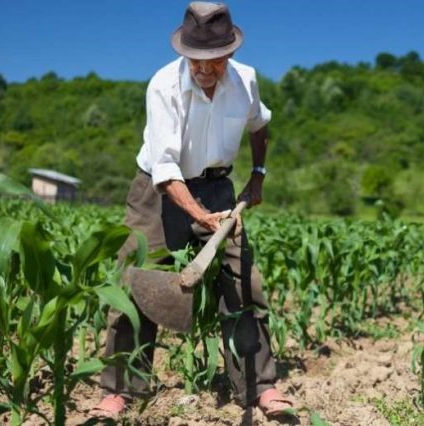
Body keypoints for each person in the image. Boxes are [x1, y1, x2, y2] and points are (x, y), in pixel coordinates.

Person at [90, 2, 291, 419]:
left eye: (211, 60)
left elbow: (260, 123)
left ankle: (258, 386)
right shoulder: (163, 86)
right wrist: (199, 217)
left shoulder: (246, 81)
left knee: (243, 281)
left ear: (229, 53)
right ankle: (122, 388)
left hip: (219, 188)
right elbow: (165, 170)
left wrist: (258, 174)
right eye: (193, 59)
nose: (201, 68)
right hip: (157, 190)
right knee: (132, 278)